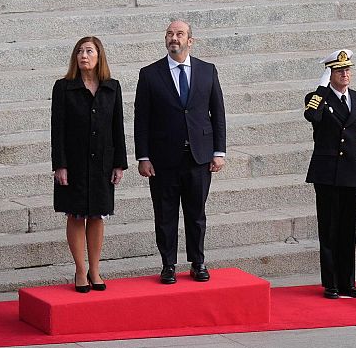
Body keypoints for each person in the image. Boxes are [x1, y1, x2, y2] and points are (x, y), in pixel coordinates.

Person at [134, 19, 226, 285]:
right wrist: (143, 157)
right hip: (163, 160)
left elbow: (217, 113)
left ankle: (198, 262)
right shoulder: (149, 74)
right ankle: (168, 265)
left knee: (196, 214)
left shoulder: (207, 71)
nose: (174, 38)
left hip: (199, 157)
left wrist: (219, 151)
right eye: (170, 34)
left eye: (180, 34)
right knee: (165, 215)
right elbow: (142, 119)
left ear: (190, 40)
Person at [51, 36, 127, 292]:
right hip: (73, 163)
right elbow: (57, 129)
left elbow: (118, 128)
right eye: (80, 51)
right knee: (75, 214)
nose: (84, 56)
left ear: (99, 56)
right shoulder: (63, 88)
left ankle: (95, 269)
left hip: (102, 163)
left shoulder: (112, 87)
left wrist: (119, 164)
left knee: (97, 215)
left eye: (89, 51)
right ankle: (80, 270)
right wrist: (60, 165)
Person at [304, 49, 356, 299]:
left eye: (347, 69)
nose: (345, 74)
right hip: (328, 174)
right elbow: (312, 116)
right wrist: (322, 88)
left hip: (353, 171)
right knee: (330, 230)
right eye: (339, 70)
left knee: (348, 230)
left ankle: (347, 282)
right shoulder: (317, 98)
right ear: (329, 74)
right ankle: (331, 283)